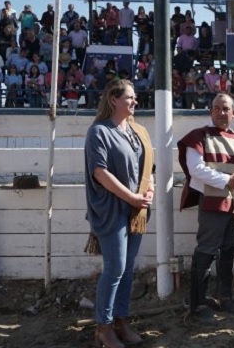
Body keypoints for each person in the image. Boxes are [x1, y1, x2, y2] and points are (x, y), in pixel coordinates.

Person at [177, 93, 234, 322]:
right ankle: (198, 304)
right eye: (217, 108)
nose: (221, 112)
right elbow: (195, 168)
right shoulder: (199, 136)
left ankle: (225, 298)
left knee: (228, 250)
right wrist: (225, 181)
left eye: (226, 109)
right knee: (206, 250)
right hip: (213, 201)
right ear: (210, 111)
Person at [84, 79, 154, 348]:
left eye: (135, 98)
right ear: (113, 99)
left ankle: (121, 322)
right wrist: (132, 197)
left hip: (136, 210)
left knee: (127, 270)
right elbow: (100, 173)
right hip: (111, 210)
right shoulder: (99, 132)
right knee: (115, 269)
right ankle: (104, 327)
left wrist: (149, 191)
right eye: (129, 97)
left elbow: (148, 168)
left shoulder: (137, 131)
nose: (135, 102)